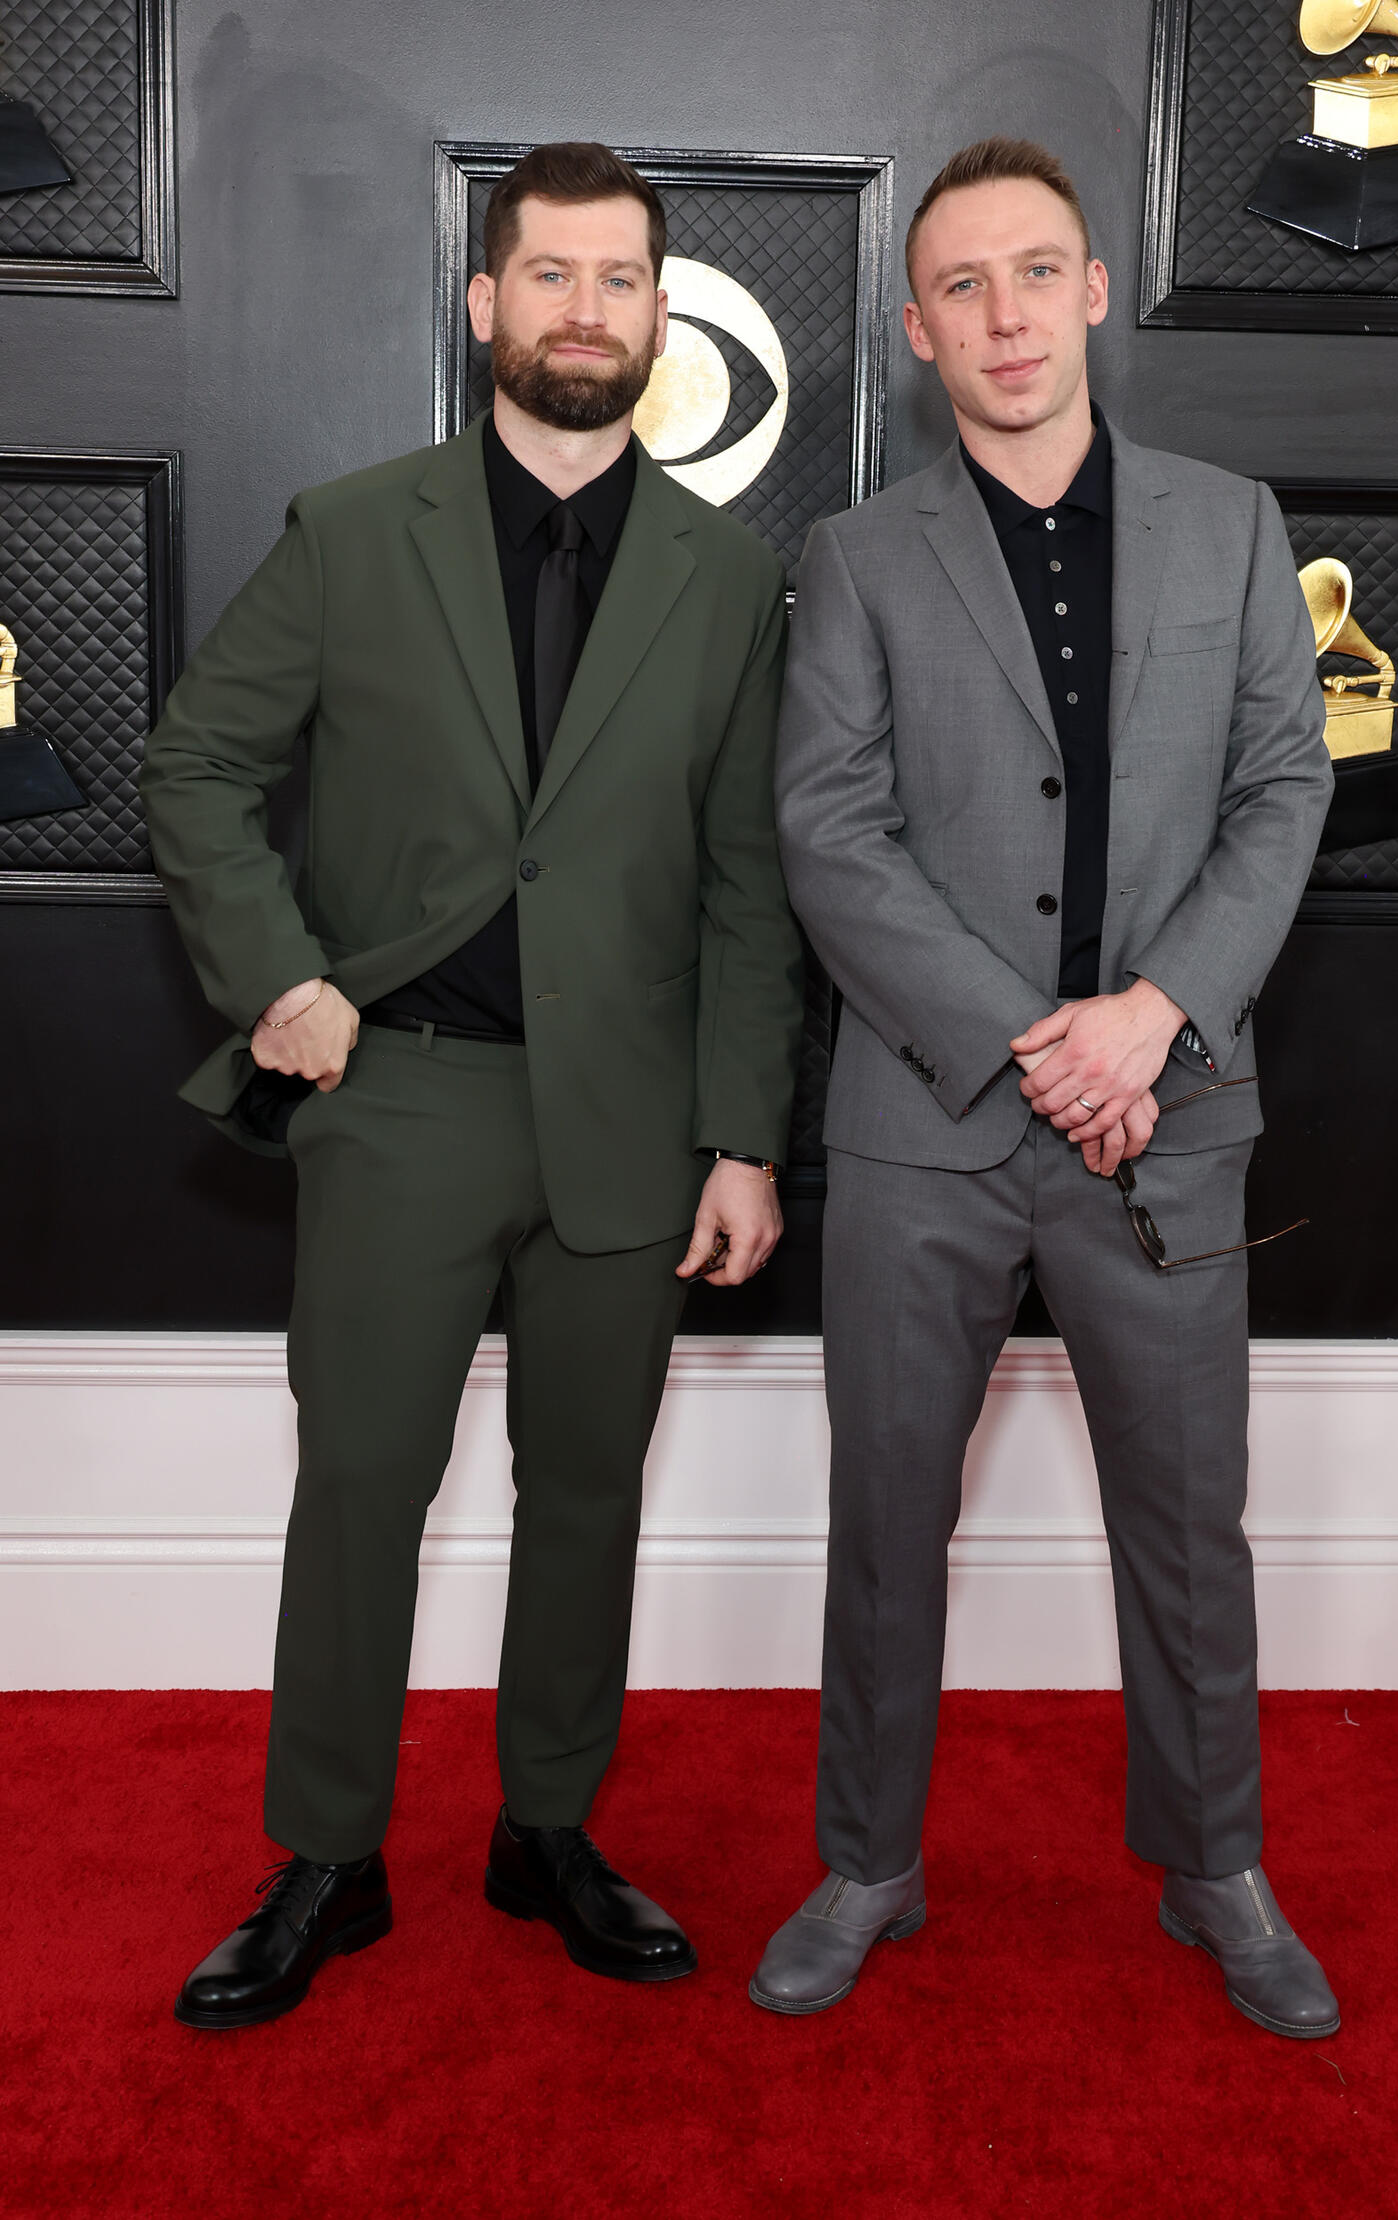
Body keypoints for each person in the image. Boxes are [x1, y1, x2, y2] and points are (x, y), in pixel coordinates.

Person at [142, 141, 803, 2029]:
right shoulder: (356, 530)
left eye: (618, 278)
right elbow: (195, 767)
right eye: (549, 274)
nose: (584, 308)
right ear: (484, 303)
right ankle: (329, 1860)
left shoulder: (730, 575)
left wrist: (745, 1132)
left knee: (587, 1489)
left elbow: (752, 882)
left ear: (659, 316)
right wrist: (280, 978)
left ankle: (548, 1834)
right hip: (401, 1100)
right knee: (360, 1483)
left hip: (630, 1119)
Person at [755, 137, 1338, 2038]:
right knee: (884, 1514)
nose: (1003, 316)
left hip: (1172, 1117)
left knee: (1191, 1524)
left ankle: (1216, 1866)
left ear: (1095, 289)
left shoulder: (1235, 524)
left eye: (1035, 273)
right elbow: (830, 835)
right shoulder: (851, 558)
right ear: (920, 332)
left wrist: (1149, 1013)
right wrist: (1038, 1036)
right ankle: (867, 1863)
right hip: (930, 1124)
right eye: (961, 289)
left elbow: (1284, 793)